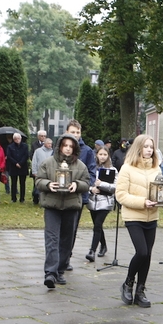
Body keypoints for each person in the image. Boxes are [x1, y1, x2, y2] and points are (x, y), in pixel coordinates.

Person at [115, 134, 163, 308]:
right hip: (133, 215)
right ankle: (128, 282)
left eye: (151, 147)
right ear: (138, 148)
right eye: (145, 146)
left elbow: (161, 190)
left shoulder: (156, 169)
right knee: (142, 252)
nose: (149, 150)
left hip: (152, 216)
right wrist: (142, 202)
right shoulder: (127, 168)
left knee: (148, 255)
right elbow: (120, 195)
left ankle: (140, 290)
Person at [35, 134, 90, 288]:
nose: (67, 148)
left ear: (74, 148)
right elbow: (38, 180)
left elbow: (86, 183)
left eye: (70, 146)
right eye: (64, 145)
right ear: (59, 146)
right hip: (52, 206)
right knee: (52, 239)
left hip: (71, 206)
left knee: (66, 240)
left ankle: (60, 271)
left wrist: (77, 185)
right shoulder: (48, 163)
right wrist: (48, 184)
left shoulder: (80, 166)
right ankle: (50, 273)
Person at [65, 120, 97, 268]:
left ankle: (66, 257)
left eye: (78, 132)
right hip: (59, 195)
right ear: (67, 132)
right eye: (73, 132)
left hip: (77, 196)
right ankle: (57, 256)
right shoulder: (60, 149)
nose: (76, 135)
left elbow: (91, 174)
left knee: (71, 228)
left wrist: (80, 185)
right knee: (58, 229)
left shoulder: (87, 151)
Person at [86, 147, 117, 262]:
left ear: (108, 155)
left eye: (105, 154)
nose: (102, 156)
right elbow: (85, 183)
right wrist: (91, 189)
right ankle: (103, 245)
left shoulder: (113, 170)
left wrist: (102, 184)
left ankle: (92, 251)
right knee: (97, 226)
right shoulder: (92, 169)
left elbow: (115, 187)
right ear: (97, 155)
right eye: (100, 154)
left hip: (105, 202)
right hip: (93, 201)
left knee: (97, 225)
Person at [6, 133, 29, 203]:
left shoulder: (25, 146)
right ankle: (13, 198)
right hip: (13, 167)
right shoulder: (10, 147)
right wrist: (16, 163)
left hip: (23, 166)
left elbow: (26, 155)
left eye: (18, 138)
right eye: (15, 139)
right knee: (13, 183)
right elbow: (9, 156)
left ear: (21, 138)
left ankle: (22, 199)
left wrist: (20, 163)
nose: (17, 140)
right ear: (13, 139)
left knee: (22, 183)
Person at [31, 130, 48, 204]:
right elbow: (31, 155)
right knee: (36, 184)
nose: (43, 137)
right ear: (38, 136)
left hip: (46, 168)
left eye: (44, 136)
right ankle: (35, 199)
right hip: (37, 167)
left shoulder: (48, 144)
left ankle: (44, 199)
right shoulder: (34, 144)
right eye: (42, 136)